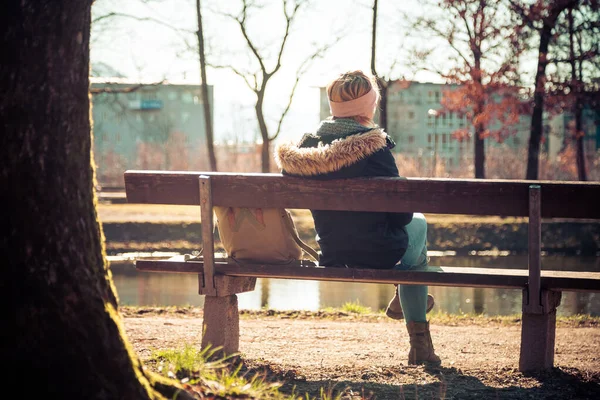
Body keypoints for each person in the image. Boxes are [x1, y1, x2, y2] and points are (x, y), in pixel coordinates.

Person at [274, 70, 440, 365]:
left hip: (333, 252)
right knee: (419, 225)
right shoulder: (375, 149)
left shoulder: (306, 150)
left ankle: (406, 293)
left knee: (414, 244)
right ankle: (419, 342)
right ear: (368, 106)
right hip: (381, 253)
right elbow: (402, 217)